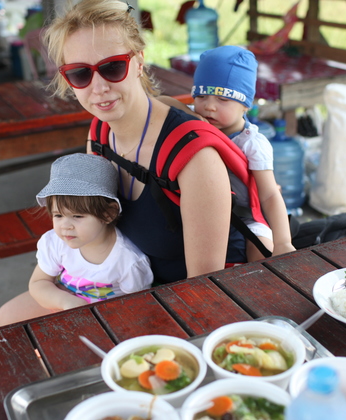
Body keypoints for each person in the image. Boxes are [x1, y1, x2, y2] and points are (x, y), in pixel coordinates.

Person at [43, 0, 250, 284]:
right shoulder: (99, 134)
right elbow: (94, 228)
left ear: (139, 62)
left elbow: (204, 286)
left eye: (113, 67)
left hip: (195, 291)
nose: (99, 87)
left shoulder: (194, 156)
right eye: (80, 73)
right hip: (128, 283)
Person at [163, 45, 296, 261]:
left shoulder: (252, 143)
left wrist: (283, 242)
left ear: (246, 105)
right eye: (201, 96)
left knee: (263, 251)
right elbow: (160, 103)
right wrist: (190, 114)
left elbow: (270, 194)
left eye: (223, 99)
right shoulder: (195, 123)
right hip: (198, 210)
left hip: (245, 217)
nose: (209, 106)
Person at [0, 153, 153, 327]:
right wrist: (67, 302)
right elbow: (39, 283)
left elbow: (137, 307)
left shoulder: (128, 261)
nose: (65, 226)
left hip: (106, 319)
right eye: (58, 215)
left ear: (108, 213)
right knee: (4, 318)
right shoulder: (56, 243)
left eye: (77, 216)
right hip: (63, 301)